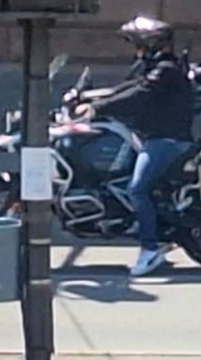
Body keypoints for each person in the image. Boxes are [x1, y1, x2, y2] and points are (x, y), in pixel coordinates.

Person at [84, 16, 195, 277]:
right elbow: (130, 86)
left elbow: (140, 93)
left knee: (137, 190)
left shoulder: (166, 70)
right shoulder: (156, 67)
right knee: (120, 180)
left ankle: (149, 250)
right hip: (151, 136)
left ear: (152, 44)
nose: (137, 51)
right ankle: (156, 229)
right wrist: (91, 97)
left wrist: (96, 108)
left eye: (139, 45)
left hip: (167, 140)